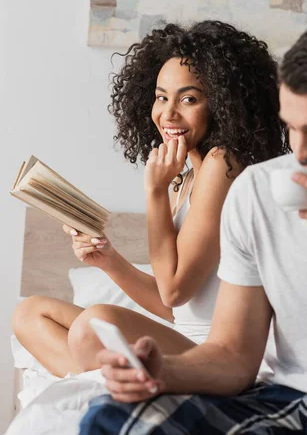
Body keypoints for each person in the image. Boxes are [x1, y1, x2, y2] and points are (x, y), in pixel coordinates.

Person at [79, 23, 307, 435]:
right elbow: (233, 355)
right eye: (293, 128)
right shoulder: (257, 190)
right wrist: (165, 372)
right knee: (109, 417)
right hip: (287, 401)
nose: (300, 153)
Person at [12, 20, 289, 377]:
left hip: (213, 354)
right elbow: (171, 307)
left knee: (94, 323)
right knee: (30, 314)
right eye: (161, 97)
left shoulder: (225, 164)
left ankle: (103, 385)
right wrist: (108, 260)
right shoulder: (186, 178)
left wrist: (155, 190)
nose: (168, 114)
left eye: (188, 99)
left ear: (222, 104)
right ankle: (105, 385)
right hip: (180, 335)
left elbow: (174, 292)